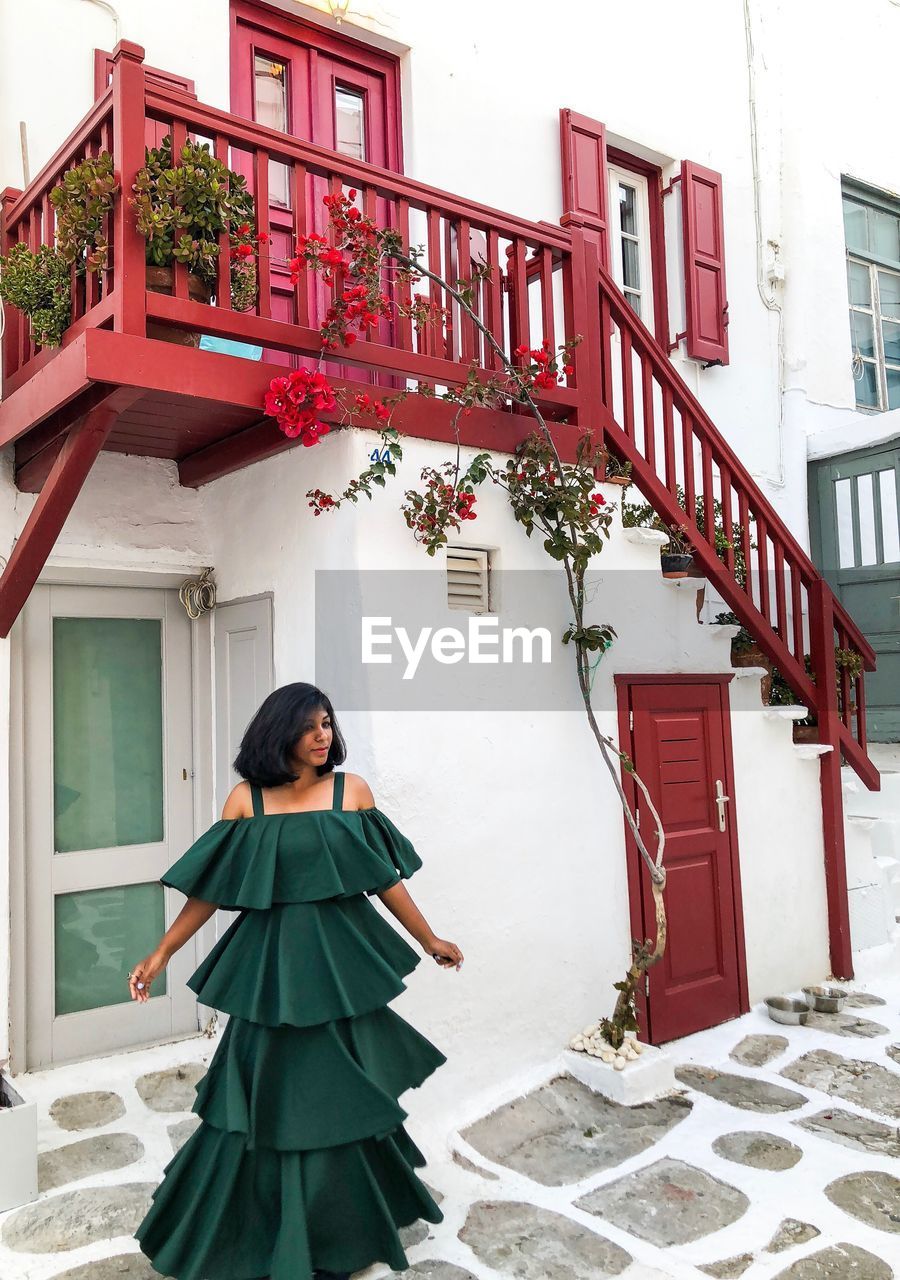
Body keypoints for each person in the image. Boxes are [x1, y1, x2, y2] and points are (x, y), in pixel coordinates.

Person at [127, 682, 463, 1280]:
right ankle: (250, 1228)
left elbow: (384, 879)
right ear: (277, 731)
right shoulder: (245, 802)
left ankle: (343, 1228)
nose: (322, 736)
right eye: (309, 725)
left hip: (339, 971)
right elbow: (209, 892)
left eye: (328, 724)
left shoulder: (349, 791)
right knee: (259, 1095)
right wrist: (162, 952)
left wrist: (428, 937)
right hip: (271, 971)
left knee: (341, 1091)